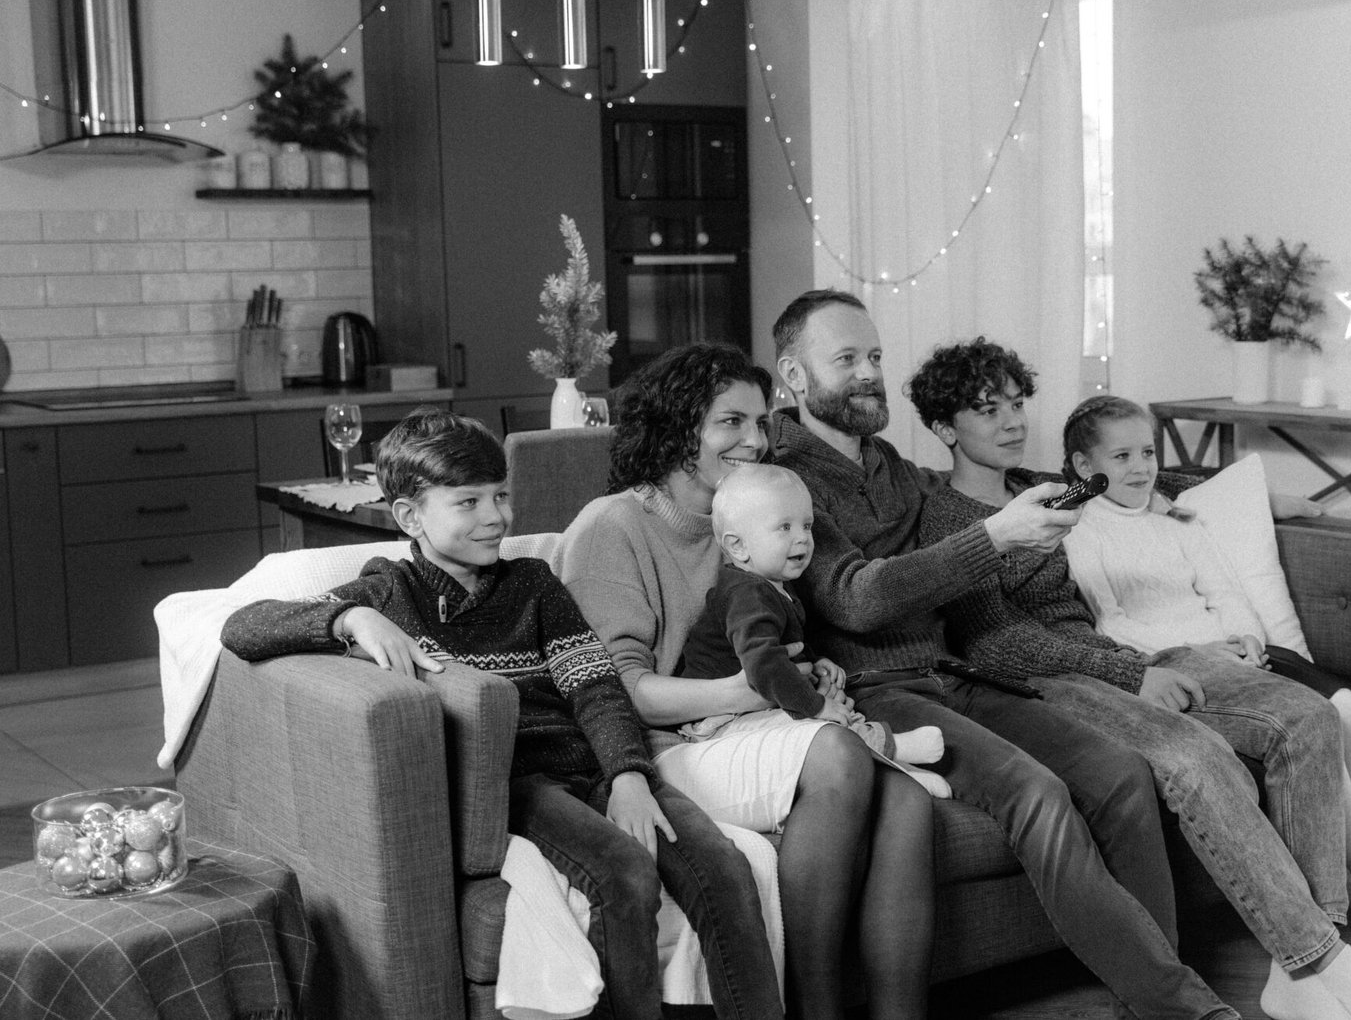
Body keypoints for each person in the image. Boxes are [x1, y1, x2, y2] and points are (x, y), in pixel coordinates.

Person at [905, 337, 1351, 1020]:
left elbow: (1150, 485)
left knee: (1308, 718)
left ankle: (1303, 965)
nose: (1012, 421)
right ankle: (1323, 963)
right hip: (1049, 679)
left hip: (1116, 656)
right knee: (1195, 756)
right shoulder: (951, 519)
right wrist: (1132, 675)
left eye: (1017, 404)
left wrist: (1270, 494)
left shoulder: (1040, 487)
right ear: (946, 428)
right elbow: (998, 643)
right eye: (988, 411)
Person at [219, 408, 784, 1020]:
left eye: (501, 496)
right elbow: (243, 626)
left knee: (723, 868)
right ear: (410, 515)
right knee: (624, 873)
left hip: (594, 763)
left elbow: (594, 684)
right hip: (517, 784)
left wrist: (627, 775)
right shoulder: (388, 592)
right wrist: (347, 618)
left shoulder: (533, 584)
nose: (496, 517)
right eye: (468, 502)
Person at [768, 291, 1238, 1020]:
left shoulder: (891, 465)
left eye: (876, 358)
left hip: (956, 674)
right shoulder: (784, 478)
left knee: (1117, 775)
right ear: (795, 379)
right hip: (877, 692)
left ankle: (1154, 997)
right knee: (1038, 794)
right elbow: (854, 599)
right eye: (847, 360)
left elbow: (974, 506)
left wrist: (1133, 494)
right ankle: (1189, 1010)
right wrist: (998, 538)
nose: (869, 374)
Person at [553, 343, 936, 1020]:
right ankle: (815, 1009)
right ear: (676, 431)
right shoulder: (611, 528)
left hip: (744, 731)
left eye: (761, 422)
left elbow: (778, 636)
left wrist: (813, 671)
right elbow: (621, 693)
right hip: (663, 748)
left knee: (903, 798)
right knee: (840, 753)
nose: (756, 441)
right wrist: (762, 691)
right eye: (730, 422)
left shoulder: (763, 517)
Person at [1062, 394, 1351, 986]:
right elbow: (1114, 623)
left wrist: (1246, 637)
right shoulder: (1082, 527)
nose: (1140, 466)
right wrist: (1206, 648)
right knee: (1313, 725)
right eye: (1121, 456)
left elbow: (1226, 590)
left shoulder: (1173, 514)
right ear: (1082, 468)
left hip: (1239, 652)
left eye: (1148, 452)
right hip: (1183, 660)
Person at [676, 463, 949, 786]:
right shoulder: (746, 593)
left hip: (751, 710)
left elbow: (785, 643)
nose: (803, 539)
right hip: (720, 724)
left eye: (806, 526)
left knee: (832, 713)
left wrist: (816, 660)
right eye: (784, 528)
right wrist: (815, 706)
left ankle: (887, 758)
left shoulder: (774, 585)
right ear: (738, 546)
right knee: (820, 726)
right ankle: (891, 751)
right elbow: (763, 665)